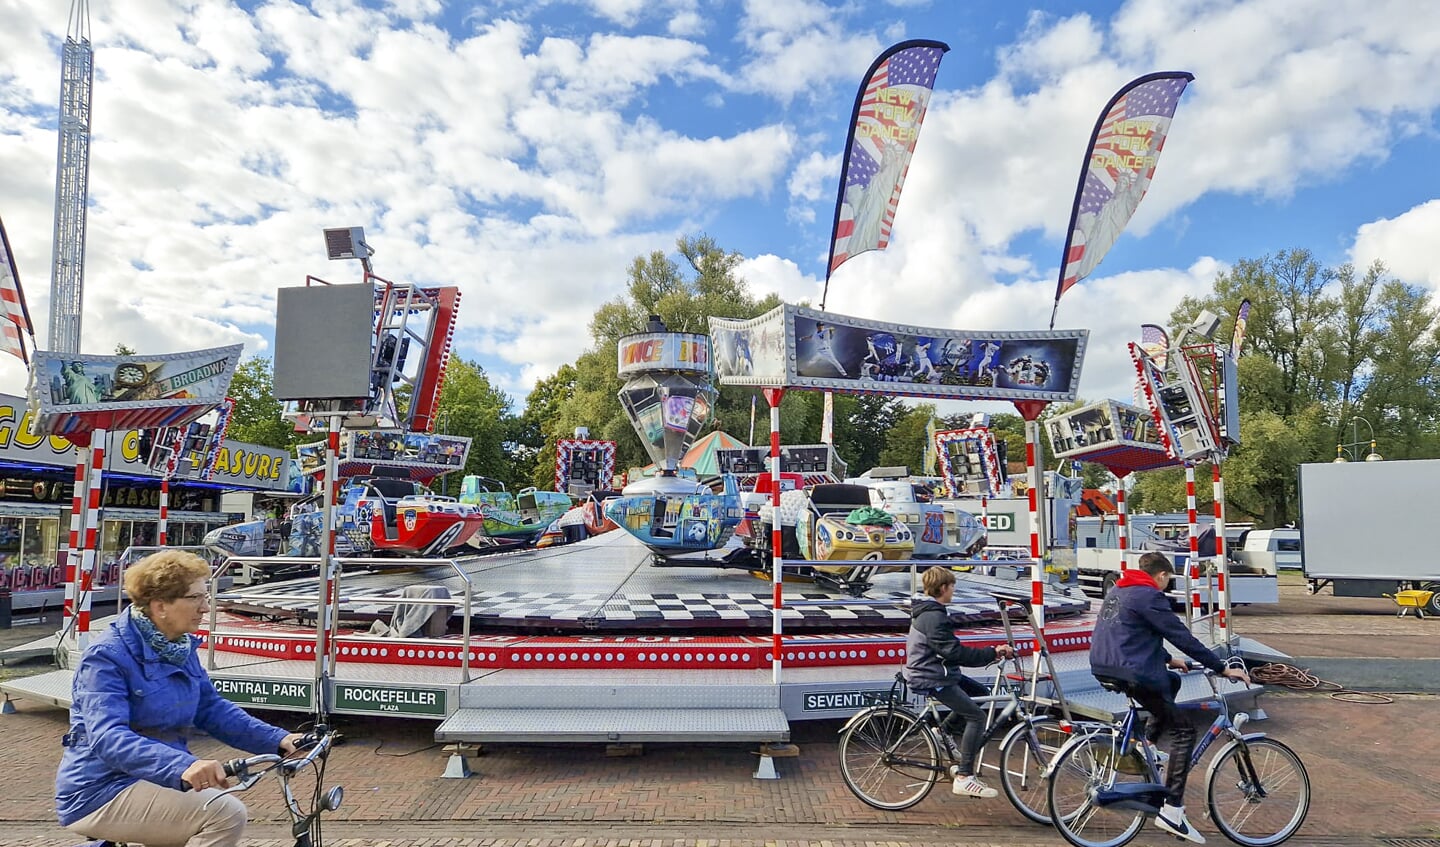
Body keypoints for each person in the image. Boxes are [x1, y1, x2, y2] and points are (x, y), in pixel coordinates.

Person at [56, 550, 306, 847]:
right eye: (195, 598)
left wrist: (279, 740)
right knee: (223, 814)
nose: (206, 607)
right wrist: (182, 766)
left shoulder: (177, 646)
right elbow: (108, 736)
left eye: (206, 596)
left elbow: (210, 708)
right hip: (102, 788)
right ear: (160, 606)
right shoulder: (107, 657)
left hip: (156, 778)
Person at [1089, 551, 1252, 844]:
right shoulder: (1149, 596)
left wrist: (1166, 659)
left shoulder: (1119, 590)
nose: (1166, 585)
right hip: (1132, 672)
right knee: (1185, 731)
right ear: (1162, 576)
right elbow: (1182, 636)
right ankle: (1172, 810)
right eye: (1168, 580)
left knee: (1172, 682)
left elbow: (1129, 631)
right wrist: (1221, 667)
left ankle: (1147, 744)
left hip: (1105, 665)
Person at [904, 566, 1016, 799]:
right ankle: (964, 777)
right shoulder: (934, 617)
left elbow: (949, 652)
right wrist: (993, 653)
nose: (954, 590)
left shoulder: (931, 612)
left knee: (980, 691)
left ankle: (941, 732)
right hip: (930, 675)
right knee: (976, 716)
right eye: (952, 586)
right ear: (943, 588)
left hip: (938, 670)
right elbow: (955, 653)